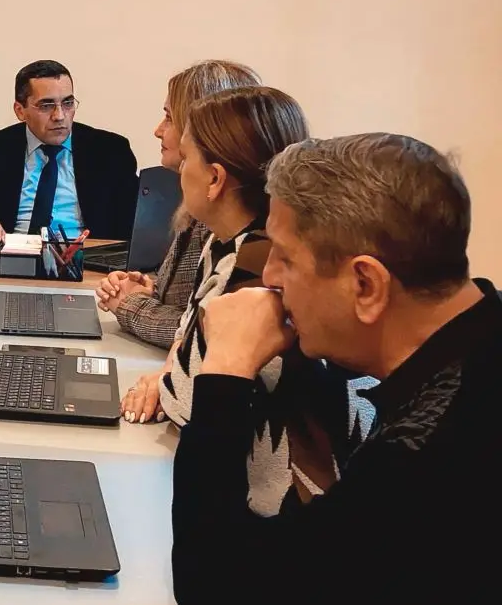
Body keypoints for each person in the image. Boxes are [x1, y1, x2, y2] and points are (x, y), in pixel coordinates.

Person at [173, 134, 500, 605]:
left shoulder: (435, 449)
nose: (269, 277)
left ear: (365, 284)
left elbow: (212, 580)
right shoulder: (478, 345)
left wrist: (225, 369)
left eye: (285, 256)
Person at [120, 88, 374, 518]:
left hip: (294, 520)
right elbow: (185, 352)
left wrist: (167, 377)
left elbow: (186, 400)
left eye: (187, 158)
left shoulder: (253, 266)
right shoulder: (231, 245)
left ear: (215, 179)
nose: (180, 171)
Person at [97, 60, 262, 348]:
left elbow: (201, 333)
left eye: (169, 118)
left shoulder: (232, 229)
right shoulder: (200, 211)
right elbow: (192, 304)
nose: (158, 130)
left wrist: (129, 304)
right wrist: (152, 290)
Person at [0, 59, 138, 248]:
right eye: (46, 106)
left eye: (68, 103)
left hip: (85, 256)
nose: (59, 116)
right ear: (20, 111)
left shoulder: (110, 151)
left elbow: (138, 219)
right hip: (13, 253)